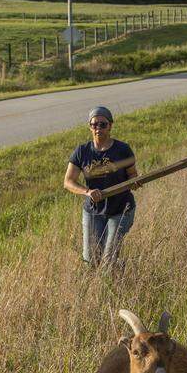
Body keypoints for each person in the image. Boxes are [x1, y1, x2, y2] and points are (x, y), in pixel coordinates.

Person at [63, 106, 139, 267]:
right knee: (90, 261)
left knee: (108, 260)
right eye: (94, 124)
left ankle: (117, 274)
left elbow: (133, 175)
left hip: (121, 210)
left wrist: (134, 182)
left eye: (103, 124)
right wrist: (87, 191)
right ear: (90, 127)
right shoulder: (82, 151)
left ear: (110, 126)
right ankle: (120, 268)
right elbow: (68, 181)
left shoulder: (122, 150)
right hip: (93, 211)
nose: (98, 128)